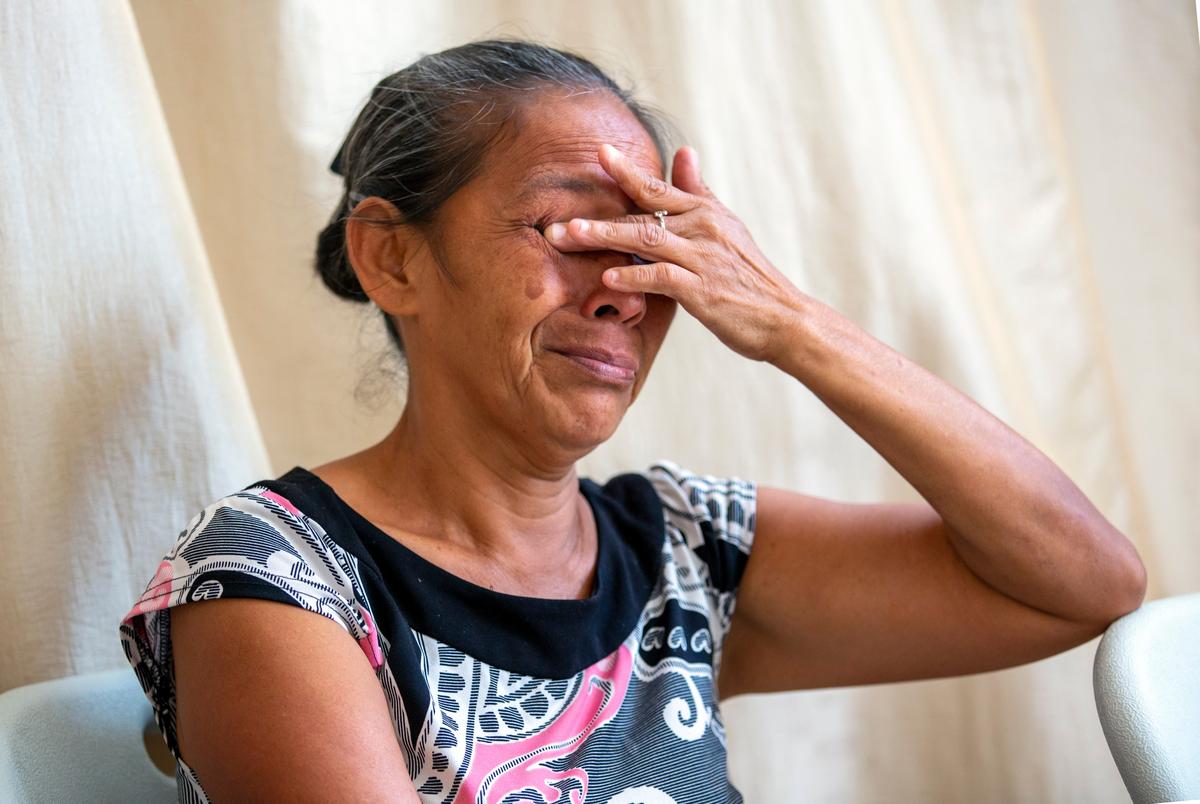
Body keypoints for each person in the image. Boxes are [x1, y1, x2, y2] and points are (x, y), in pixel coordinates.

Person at [118, 39, 1147, 803]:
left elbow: (1081, 583)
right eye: (569, 229)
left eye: (653, 243)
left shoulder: (681, 553)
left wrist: (792, 322)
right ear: (394, 258)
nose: (624, 292)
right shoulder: (275, 580)